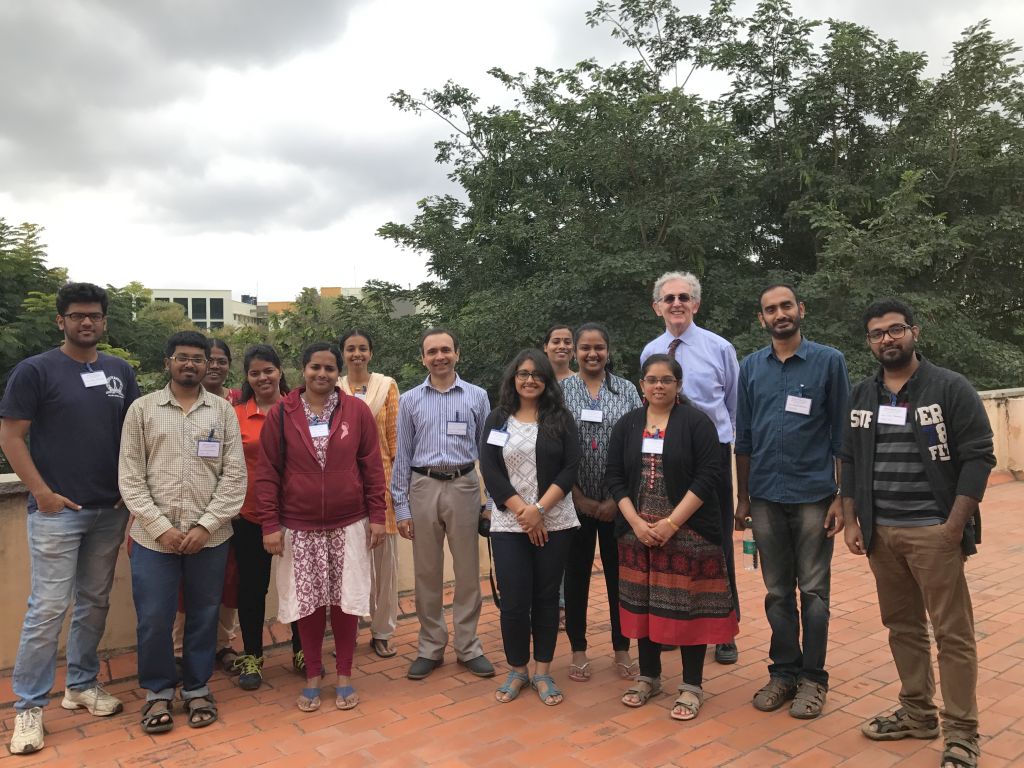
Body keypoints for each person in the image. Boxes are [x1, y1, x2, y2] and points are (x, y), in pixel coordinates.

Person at [840, 300, 994, 768]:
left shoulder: (948, 387)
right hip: (880, 535)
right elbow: (848, 457)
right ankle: (917, 713)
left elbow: (979, 456)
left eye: (895, 330)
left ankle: (962, 734)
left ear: (914, 332)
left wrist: (953, 526)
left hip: (934, 532)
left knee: (953, 633)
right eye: (877, 333)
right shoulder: (863, 394)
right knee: (902, 627)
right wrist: (851, 520)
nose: (887, 339)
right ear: (869, 343)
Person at [0, 283, 140, 755]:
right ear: (60, 320)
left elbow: (132, 435)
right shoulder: (35, 371)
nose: (87, 323)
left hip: (108, 510)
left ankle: (80, 685)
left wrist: (128, 493)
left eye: (95, 316)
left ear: (104, 321)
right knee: (47, 608)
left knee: (94, 602)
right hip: (57, 512)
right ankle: (28, 708)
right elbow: (12, 437)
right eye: (78, 315)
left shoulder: (120, 370)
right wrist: (43, 493)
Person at [118, 331, 246, 734]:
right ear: (167, 363)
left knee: (204, 616)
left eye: (198, 359)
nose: (190, 364)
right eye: (182, 358)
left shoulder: (223, 412)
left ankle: (196, 688)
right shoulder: (142, 410)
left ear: (208, 365)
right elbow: (130, 478)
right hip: (154, 541)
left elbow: (235, 477)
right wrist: (162, 529)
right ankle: (157, 691)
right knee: (154, 618)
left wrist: (206, 526)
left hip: (209, 539)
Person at [734, 284, 850, 719]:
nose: (779, 314)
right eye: (770, 309)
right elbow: (743, 437)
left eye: (786, 306)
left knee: (814, 593)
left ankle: (813, 679)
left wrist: (842, 496)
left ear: (801, 309)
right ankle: (783, 672)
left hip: (815, 497)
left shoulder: (829, 362)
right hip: (764, 496)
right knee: (776, 592)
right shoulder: (751, 367)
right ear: (761, 318)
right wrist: (742, 497)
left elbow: (843, 436)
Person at [253, 342, 386, 712]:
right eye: (315, 367)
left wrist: (377, 516)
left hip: (349, 523)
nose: (322, 374)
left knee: (345, 603)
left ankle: (344, 675)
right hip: (299, 526)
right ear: (303, 370)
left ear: (337, 371)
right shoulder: (282, 414)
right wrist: (270, 524)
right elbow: (267, 474)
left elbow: (372, 468)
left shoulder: (356, 411)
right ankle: (313, 674)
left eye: (329, 368)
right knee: (308, 605)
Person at [606, 354, 738, 721]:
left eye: (666, 380)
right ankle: (649, 677)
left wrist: (672, 523)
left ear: (678, 385)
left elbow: (709, 475)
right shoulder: (628, 425)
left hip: (689, 532)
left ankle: (692, 685)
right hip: (638, 535)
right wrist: (634, 522)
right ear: (642, 385)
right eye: (651, 379)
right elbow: (614, 476)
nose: (658, 386)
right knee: (645, 605)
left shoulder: (696, 423)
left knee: (689, 608)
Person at [641, 270, 741, 665]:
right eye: (669, 299)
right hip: (663, 455)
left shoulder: (720, 348)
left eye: (684, 297)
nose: (677, 303)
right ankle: (672, 620)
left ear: (696, 304)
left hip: (711, 455)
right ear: (657, 307)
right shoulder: (651, 350)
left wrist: (721, 448)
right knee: (672, 541)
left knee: (714, 542)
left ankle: (725, 629)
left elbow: (733, 406)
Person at [392, 328, 495, 680]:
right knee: (427, 573)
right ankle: (430, 646)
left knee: (468, 573)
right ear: (423, 358)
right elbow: (402, 456)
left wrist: (492, 500)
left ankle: (468, 646)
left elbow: (490, 451)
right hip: (422, 486)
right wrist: (401, 507)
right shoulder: (410, 400)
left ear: (457, 354)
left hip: (465, 485)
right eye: (432, 351)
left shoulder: (478, 397)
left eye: (445, 350)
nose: (440, 356)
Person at [480, 350, 580, 705]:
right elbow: (490, 469)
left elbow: (570, 468)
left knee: (546, 598)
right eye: (523, 373)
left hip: (555, 520)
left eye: (537, 374)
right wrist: (524, 511)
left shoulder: (560, 419)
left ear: (546, 381)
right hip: (510, 522)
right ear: (513, 378)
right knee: (514, 600)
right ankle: (517, 669)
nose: (529, 380)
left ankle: (542, 672)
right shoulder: (498, 419)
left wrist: (539, 510)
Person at [561, 323, 641, 683]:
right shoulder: (560, 392)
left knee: (618, 578)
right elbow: (553, 446)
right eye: (585, 348)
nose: (592, 354)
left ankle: (622, 647)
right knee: (576, 578)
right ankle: (578, 648)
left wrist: (615, 498)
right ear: (575, 351)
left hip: (617, 503)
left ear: (609, 350)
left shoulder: (625, 390)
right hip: (573, 501)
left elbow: (637, 445)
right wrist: (576, 494)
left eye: (599, 348)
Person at [229, 344, 303, 690]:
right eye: (255, 372)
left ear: (280, 371)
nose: (263, 377)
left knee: (299, 586)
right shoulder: (236, 414)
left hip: (296, 515)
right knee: (252, 590)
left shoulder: (298, 408)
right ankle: (253, 656)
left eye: (268, 370)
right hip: (250, 515)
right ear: (247, 377)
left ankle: (303, 650)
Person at [177, 337, 240, 672]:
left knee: (229, 581)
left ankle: (223, 644)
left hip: (231, 511)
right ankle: (178, 649)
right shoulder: (172, 406)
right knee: (183, 586)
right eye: (209, 360)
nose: (214, 366)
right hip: (183, 510)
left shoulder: (238, 403)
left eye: (221, 360)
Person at [338, 329, 401, 659]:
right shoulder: (334, 387)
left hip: (382, 483)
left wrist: (397, 493)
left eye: (362, 348)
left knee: (384, 563)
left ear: (371, 353)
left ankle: (382, 630)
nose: (357, 354)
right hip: (343, 487)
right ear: (343, 353)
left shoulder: (386, 386)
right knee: (347, 562)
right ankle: (346, 632)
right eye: (350, 349)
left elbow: (394, 440)